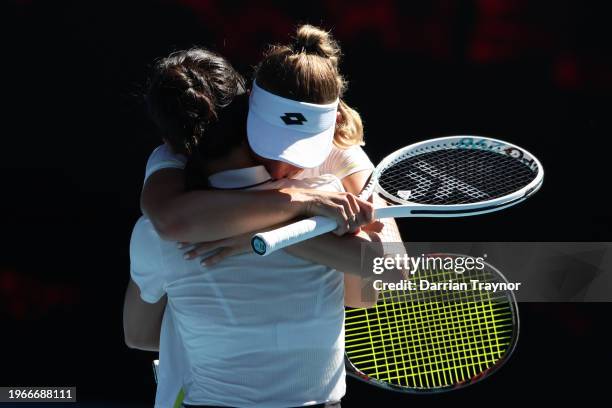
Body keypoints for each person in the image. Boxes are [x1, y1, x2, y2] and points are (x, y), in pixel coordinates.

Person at [125, 46, 390, 406]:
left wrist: (254, 239)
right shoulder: (328, 195)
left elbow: (138, 334)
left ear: (169, 139)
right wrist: (296, 217)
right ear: (245, 106)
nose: (286, 167)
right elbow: (366, 293)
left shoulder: (154, 234)